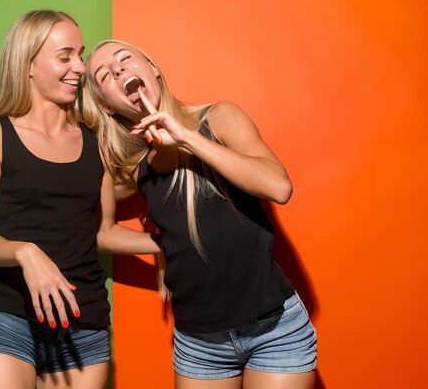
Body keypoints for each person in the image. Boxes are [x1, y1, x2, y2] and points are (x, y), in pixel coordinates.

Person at [83, 40, 318, 389]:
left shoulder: (219, 118)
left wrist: (186, 139)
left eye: (125, 59)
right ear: (108, 105)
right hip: (199, 345)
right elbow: (96, 227)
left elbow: (278, 187)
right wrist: (161, 245)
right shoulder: (138, 171)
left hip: (275, 329)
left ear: (153, 69)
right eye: (104, 75)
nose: (118, 70)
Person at [0, 11, 153, 389]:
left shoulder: (95, 143)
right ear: (27, 64)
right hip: (9, 320)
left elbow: (102, 231)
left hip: (84, 327)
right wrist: (25, 252)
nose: (79, 67)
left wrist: (166, 246)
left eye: (80, 55)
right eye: (65, 56)